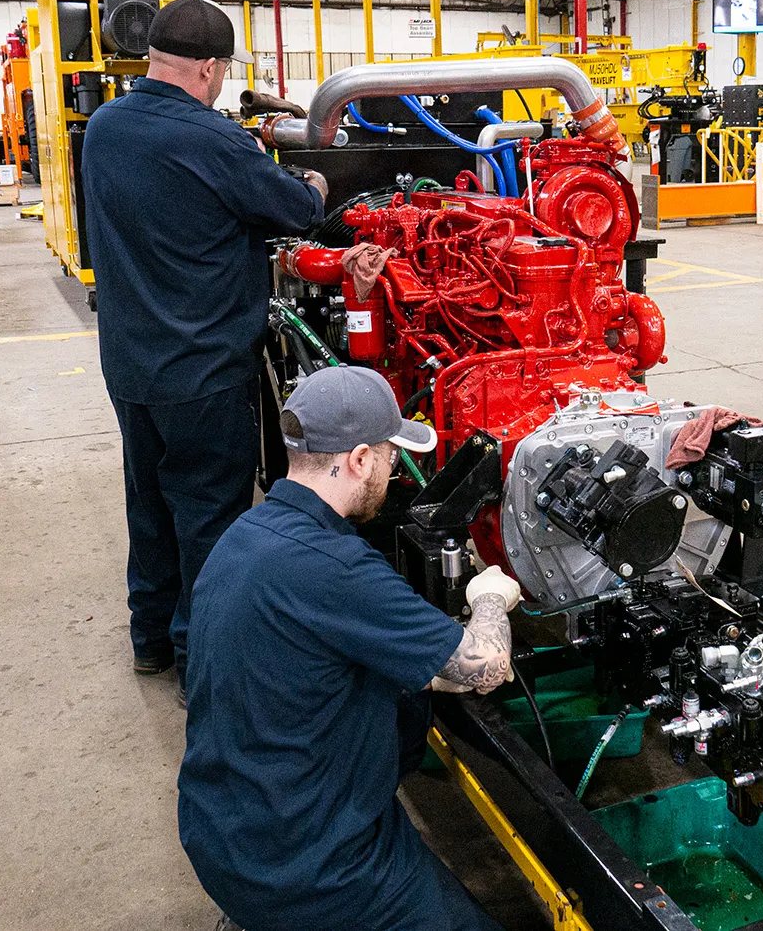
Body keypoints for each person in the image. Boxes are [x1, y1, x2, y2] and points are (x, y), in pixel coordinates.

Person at [179, 366, 516, 931]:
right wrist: (488, 597)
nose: (393, 471)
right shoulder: (339, 570)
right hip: (312, 868)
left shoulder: (243, 536)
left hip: (219, 834)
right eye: (388, 455)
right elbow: (488, 665)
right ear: (359, 459)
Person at [82, 0, 329, 701]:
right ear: (211, 68)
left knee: (149, 503)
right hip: (202, 370)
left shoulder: (104, 126)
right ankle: (203, 665)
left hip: (130, 365)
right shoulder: (213, 139)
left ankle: (151, 640)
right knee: (209, 517)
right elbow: (297, 209)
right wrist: (306, 177)